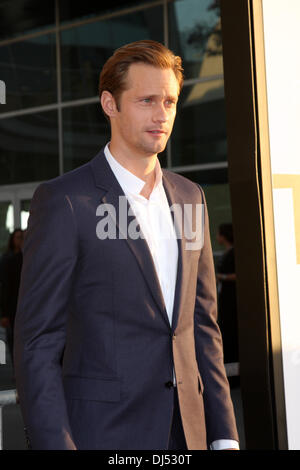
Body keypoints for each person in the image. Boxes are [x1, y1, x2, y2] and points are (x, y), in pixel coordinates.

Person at [14, 40, 239, 450]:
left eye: (170, 101)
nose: (161, 115)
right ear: (109, 104)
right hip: (102, 434)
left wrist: (224, 434)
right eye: (147, 100)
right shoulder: (66, 201)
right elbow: (37, 343)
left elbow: (202, 326)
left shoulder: (191, 197)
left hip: (190, 435)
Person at [216, 223, 239, 366]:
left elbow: (239, 274)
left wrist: (221, 277)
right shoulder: (227, 253)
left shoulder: (234, 253)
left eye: (219, 234)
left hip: (231, 299)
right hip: (225, 298)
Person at [0, 228, 24, 364]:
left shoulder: (28, 257)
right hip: (12, 305)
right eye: (18, 237)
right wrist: (4, 313)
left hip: (25, 304)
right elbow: (5, 287)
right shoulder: (7, 259)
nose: (20, 240)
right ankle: (17, 367)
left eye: (22, 237)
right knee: (12, 338)